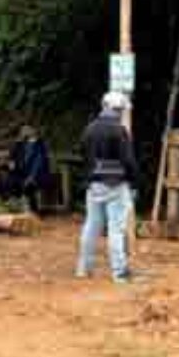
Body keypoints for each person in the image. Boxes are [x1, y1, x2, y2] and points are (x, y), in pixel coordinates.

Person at [76, 92, 138, 283]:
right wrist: (134, 182)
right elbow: (128, 161)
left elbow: (83, 155)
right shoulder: (119, 131)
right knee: (116, 229)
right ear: (117, 109)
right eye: (121, 110)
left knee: (91, 227)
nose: (121, 113)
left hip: (94, 184)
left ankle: (83, 269)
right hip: (116, 184)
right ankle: (119, 272)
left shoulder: (89, 129)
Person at [3, 124, 54, 213]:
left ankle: (32, 210)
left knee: (28, 185)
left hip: (37, 175)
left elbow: (39, 164)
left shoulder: (39, 146)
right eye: (23, 130)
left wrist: (31, 177)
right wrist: (11, 164)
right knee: (10, 181)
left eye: (28, 129)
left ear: (33, 131)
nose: (25, 131)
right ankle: (18, 207)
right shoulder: (20, 144)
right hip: (22, 174)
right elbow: (12, 159)